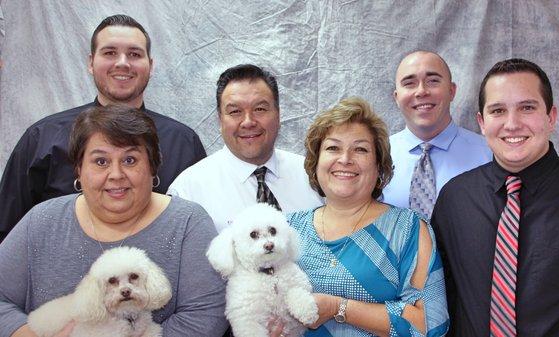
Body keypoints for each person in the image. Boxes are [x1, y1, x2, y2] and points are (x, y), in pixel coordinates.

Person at [0, 105, 228, 337]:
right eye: (101, 162)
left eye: (130, 160)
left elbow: (205, 316)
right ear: (78, 169)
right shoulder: (42, 220)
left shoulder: (188, 223)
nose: (116, 174)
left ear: (152, 165)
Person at [431, 58, 559, 336]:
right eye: (498, 110)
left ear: (551, 117)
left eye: (527, 108)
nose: (512, 124)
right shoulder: (455, 198)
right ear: (482, 123)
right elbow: (440, 298)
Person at [0, 14, 206, 242]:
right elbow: (8, 233)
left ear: (151, 65)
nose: (122, 63)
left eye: (135, 54)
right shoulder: (43, 138)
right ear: (90, 63)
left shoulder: (184, 142)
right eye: (109, 53)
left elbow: (199, 233)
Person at [287, 97, 449, 336]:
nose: (345, 159)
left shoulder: (408, 229)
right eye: (333, 148)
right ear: (315, 162)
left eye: (360, 149)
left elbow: (431, 324)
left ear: (378, 165)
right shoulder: (286, 229)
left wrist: (339, 307)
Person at [168, 64, 322, 232]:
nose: (248, 122)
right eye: (235, 111)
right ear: (220, 120)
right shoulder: (188, 190)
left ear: (278, 115)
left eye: (259, 109)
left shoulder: (313, 176)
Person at [382, 50, 491, 219]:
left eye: (433, 81)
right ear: (396, 97)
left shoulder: (489, 154)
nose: (421, 91)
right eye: (409, 83)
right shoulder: (377, 156)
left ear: (452, 91)